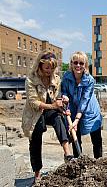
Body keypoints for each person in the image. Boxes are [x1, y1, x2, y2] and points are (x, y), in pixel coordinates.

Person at [21, 51, 73, 182]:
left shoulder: (55, 78)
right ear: (40, 66)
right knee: (36, 137)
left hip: (50, 110)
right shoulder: (31, 80)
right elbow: (33, 102)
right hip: (35, 114)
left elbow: (55, 97)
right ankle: (37, 173)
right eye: (47, 68)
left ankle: (67, 153)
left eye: (52, 68)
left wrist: (62, 101)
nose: (50, 71)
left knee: (58, 118)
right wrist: (54, 106)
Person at [61, 51, 102, 159]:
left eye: (81, 63)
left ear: (85, 65)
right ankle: (79, 161)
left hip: (89, 110)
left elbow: (85, 100)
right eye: (75, 62)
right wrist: (64, 97)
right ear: (71, 64)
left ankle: (99, 162)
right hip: (73, 109)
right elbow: (64, 91)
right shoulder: (66, 77)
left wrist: (77, 119)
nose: (78, 65)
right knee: (75, 136)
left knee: (96, 138)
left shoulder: (89, 80)